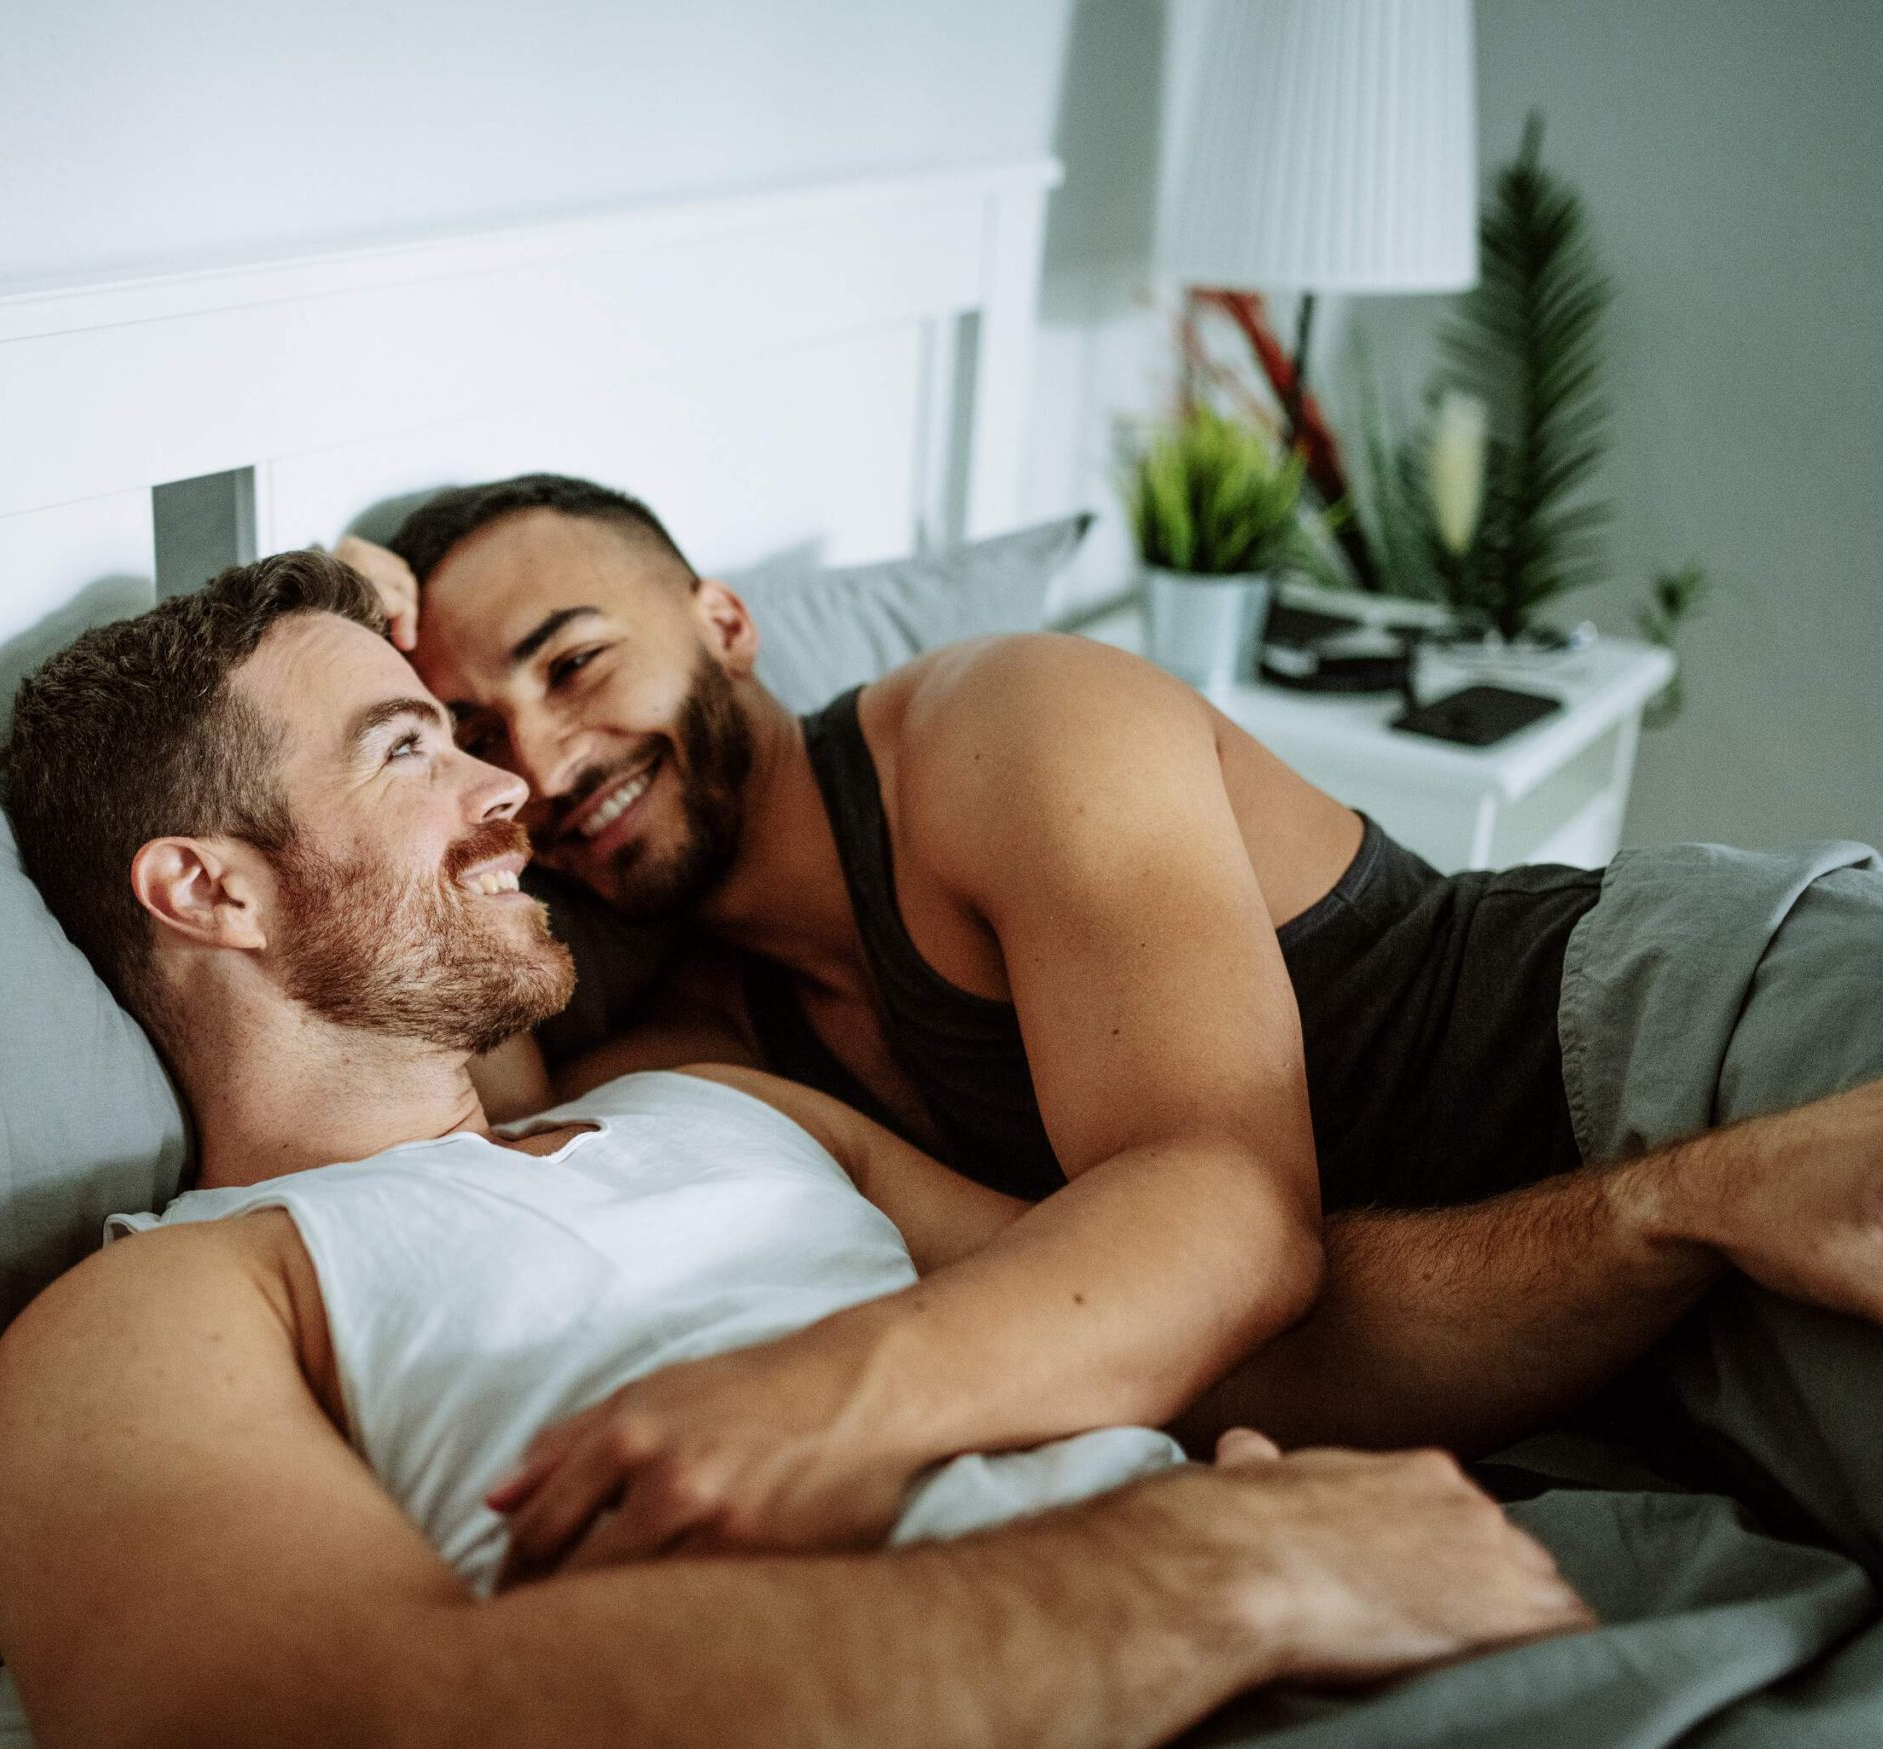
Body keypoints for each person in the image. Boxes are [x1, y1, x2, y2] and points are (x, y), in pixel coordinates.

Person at [0, 550, 1592, 1749]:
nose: (511, 789)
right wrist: (1210, 1570)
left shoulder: (724, 1103)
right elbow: (345, 1722)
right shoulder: (155, 1313)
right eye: (413, 747)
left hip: (1437, 1614)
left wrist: (1659, 1225)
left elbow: (1261, 1352)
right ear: (209, 890)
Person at [328, 474, 1883, 1574]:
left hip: (1683, 1047)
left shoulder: (999, 725)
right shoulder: (697, 1051)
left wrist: (834, 1396)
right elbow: (475, 1107)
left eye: (576, 659)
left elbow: (1227, 1221)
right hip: (1548, 1332)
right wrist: (343, 652)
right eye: (468, 734)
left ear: (723, 620)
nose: (541, 745)